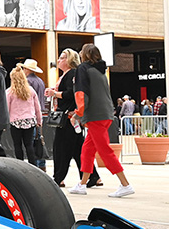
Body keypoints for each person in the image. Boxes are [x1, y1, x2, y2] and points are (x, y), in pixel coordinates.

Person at [68, 43, 133, 197]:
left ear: (84, 55)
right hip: (105, 113)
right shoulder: (101, 71)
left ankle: (125, 184)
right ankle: (82, 184)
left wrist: (77, 114)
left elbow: (81, 94)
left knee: (105, 151)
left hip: (95, 116)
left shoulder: (83, 69)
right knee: (87, 149)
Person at [45, 48, 100, 188]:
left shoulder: (73, 74)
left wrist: (54, 93)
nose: (59, 60)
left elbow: (71, 94)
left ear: (70, 60)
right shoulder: (66, 75)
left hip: (69, 116)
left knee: (61, 148)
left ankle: (58, 178)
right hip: (69, 117)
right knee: (77, 149)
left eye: (62, 57)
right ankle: (93, 176)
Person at [7, 66, 42, 165]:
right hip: (30, 120)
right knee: (29, 145)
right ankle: (33, 166)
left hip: (15, 121)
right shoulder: (30, 90)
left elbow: (7, 108)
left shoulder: (9, 92)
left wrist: (5, 122)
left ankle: (20, 166)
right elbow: (37, 107)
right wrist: (39, 121)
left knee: (17, 145)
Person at [20, 58, 47, 169]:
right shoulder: (40, 81)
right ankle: (42, 163)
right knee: (39, 140)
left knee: (31, 142)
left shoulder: (27, 82)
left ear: (26, 69)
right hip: (40, 112)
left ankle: (36, 164)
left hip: (31, 114)